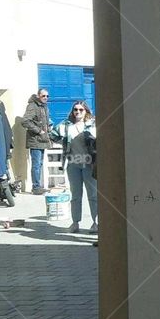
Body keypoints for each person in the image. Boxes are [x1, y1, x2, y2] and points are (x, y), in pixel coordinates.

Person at [53, 100, 97, 234]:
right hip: (73, 163)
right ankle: (75, 222)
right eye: (75, 110)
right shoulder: (67, 126)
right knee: (75, 195)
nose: (78, 112)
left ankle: (96, 222)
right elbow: (53, 135)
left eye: (81, 110)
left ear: (86, 111)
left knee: (93, 194)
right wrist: (64, 143)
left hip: (89, 163)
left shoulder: (91, 125)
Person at [21, 87, 52, 194]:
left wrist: (49, 127)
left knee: (39, 164)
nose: (46, 98)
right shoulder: (32, 106)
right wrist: (39, 131)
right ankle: (36, 187)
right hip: (35, 140)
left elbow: (43, 121)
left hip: (42, 140)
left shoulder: (44, 107)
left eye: (47, 96)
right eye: (43, 96)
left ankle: (38, 186)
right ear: (38, 96)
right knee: (36, 165)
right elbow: (25, 121)